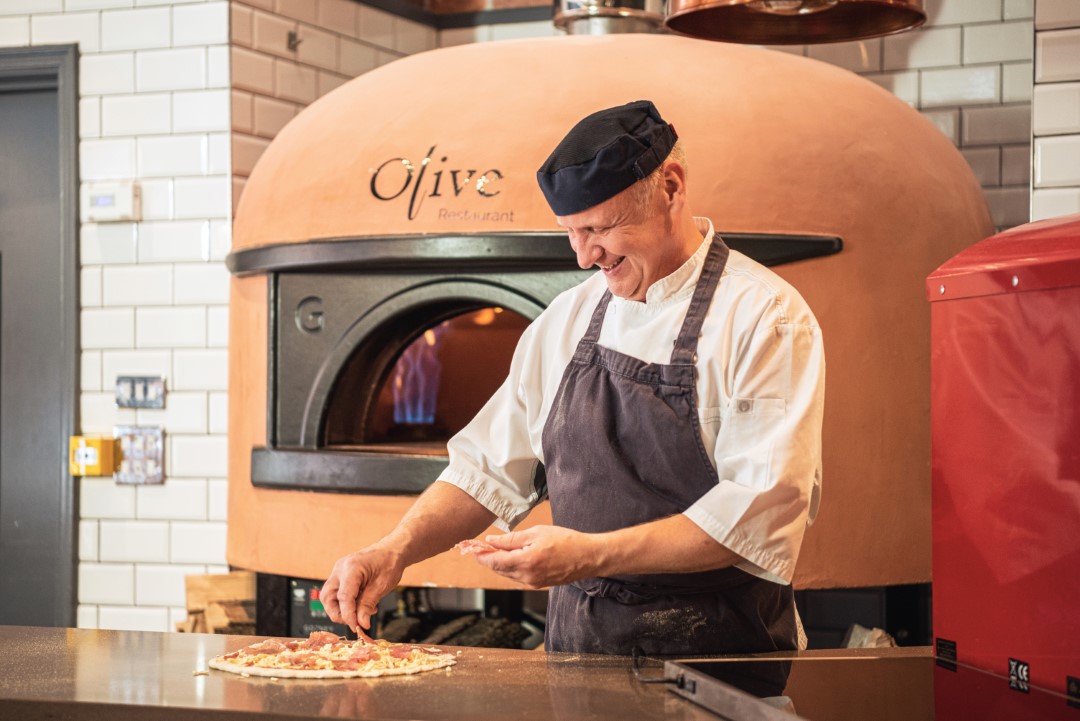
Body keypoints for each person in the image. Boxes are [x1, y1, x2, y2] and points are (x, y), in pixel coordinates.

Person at [322, 100, 825, 656]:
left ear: (671, 188)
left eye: (599, 228)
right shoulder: (569, 317)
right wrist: (393, 550)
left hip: (720, 657)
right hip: (580, 652)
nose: (585, 256)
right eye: (570, 232)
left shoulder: (764, 317)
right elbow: (486, 468)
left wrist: (588, 555)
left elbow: (756, 516)